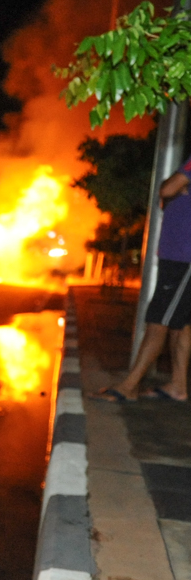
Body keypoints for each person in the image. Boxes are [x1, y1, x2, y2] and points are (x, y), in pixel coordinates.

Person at [98, 160, 191, 402]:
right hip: (179, 256)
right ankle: (178, 386)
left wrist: (175, 186)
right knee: (180, 325)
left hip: (184, 257)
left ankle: (129, 386)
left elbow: (166, 189)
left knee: (158, 320)